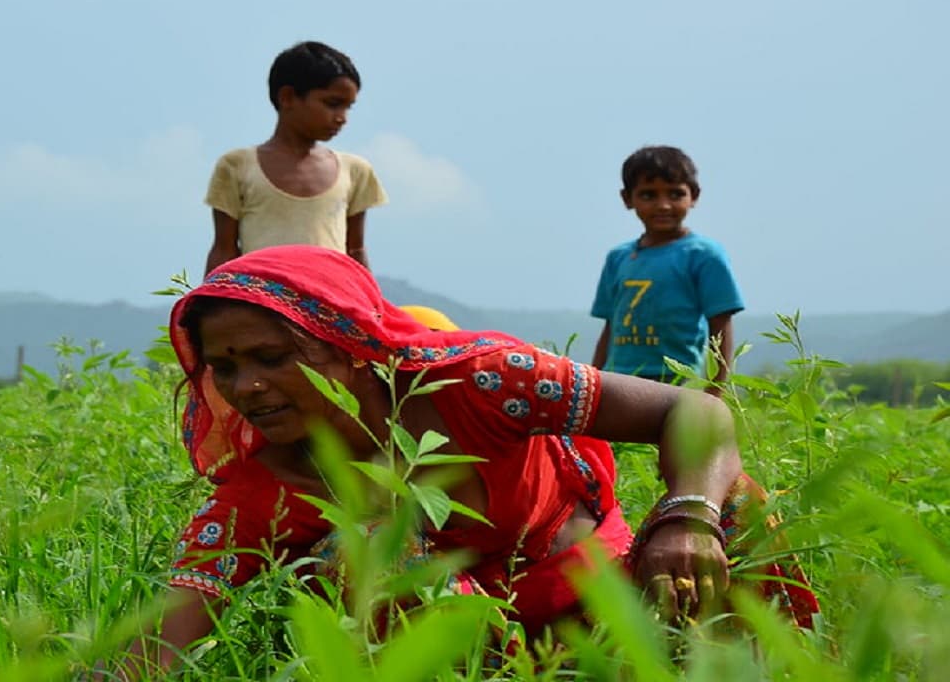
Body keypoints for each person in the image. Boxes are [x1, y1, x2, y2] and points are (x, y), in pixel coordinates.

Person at [123, 245, 814, 677]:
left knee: (732, 496)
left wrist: (686, 517)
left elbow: (695, 411)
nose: (246, 388)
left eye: (273, 358)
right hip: (484, 656)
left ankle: (776, 667)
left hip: (618, 604)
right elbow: (167, 634)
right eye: (226, 367)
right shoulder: (267, 483)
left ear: (349, 344)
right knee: (361, 548)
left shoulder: (481, 381)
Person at [203, 41, 387, 274]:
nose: (342, 118)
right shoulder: (236, 166)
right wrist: (205, 308)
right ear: (287, 97)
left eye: (348, 107)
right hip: (263, 299)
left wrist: (373, 309)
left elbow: (355, 250)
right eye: (332, 104)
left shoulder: (355, 170)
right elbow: (224, 250)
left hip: (329, 301)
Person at [590, 146, 744, 395]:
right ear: (627, 199)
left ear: (693, 196)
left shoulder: (703, 255)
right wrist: (592, 382)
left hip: (678, 380)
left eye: (675, 194)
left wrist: (716, 390)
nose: (663, 205)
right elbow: (611, 325)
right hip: (618, 379)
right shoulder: (618, 258)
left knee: (676, 435)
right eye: (649, 195)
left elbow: (720, 325)